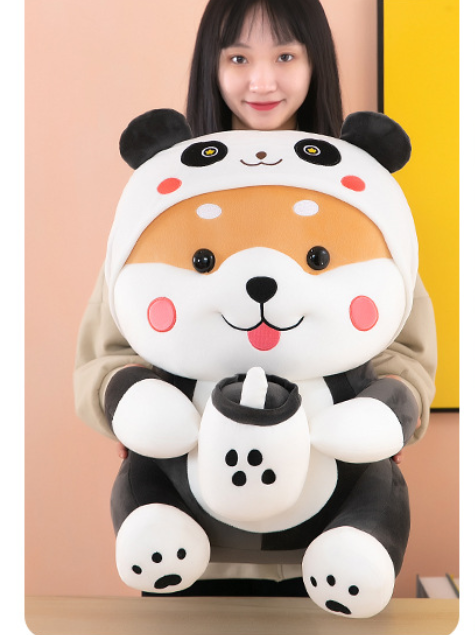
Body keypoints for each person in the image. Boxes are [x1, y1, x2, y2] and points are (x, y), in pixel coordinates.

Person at [74, 0, 437, 596]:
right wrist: (133, 402)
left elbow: (407, 350)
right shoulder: (167, 191)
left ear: (315, 63)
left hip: (332, 536)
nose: (262, 81)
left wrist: (387, 410)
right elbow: (108, 351)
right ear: (211, 67)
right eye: (239, 58)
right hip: (188, 536)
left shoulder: (359, 191)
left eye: (285, 56)